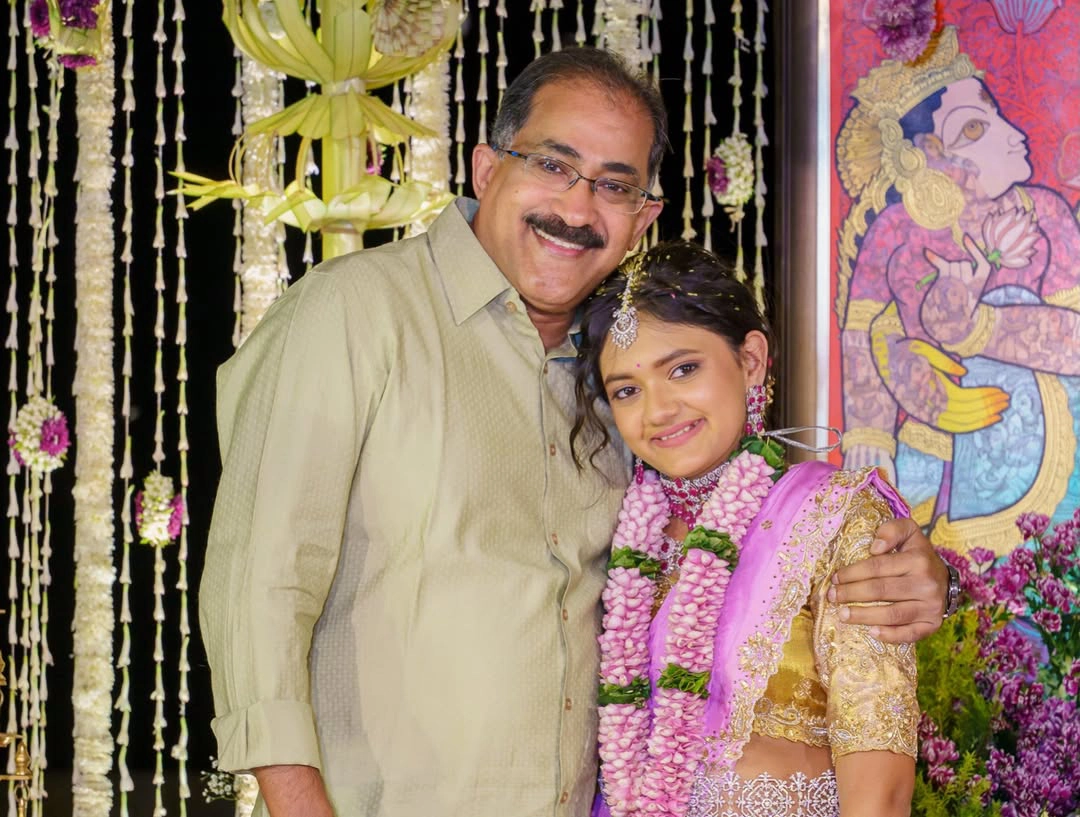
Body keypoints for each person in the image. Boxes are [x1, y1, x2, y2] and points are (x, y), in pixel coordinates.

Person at [200, 47, 947, 817]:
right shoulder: (351, 314)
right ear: (486, 168)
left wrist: (919, 577)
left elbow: (743, 555)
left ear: (643, 217)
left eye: (614, 185)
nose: (578, 207)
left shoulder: (619, 370)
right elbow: (259, 588)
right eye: (553, 165)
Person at [572, 241, 917, 817]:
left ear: (751, 360)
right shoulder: (615, 530)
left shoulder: (837, 518)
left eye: (683, 369)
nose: (658, 410)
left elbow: (881, 785)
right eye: (627, 390)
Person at [836, 26, 1080, 555]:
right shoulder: (893, 231)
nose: (1010, 134)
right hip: (930, 448)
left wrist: (979, 327)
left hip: (1046, 439)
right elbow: (862, 342)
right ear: (925, 153)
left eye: (994, 115)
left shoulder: (1046, 214)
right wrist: (869, 441)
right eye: (974, 128)